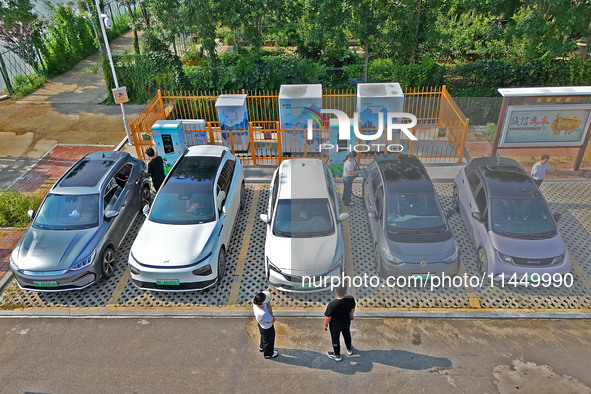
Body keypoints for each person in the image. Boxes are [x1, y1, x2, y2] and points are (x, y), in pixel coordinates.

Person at [323, 285, 356, 362]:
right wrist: (351, 314)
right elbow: (353, 309)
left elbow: (328, 317)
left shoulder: (332, 304)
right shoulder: (350, 299)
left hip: (335, 326)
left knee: (335, 339)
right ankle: (349, 349)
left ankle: (337, 356)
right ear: (345, 291)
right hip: (346, 322)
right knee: (347, 335)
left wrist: (325, 324)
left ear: (335, 291)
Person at [253, 291, 278, 359]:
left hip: (262, 325)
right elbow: (273, 319)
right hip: (267, 328)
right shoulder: (263, 313)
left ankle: (262, 347)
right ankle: (268, 354)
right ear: (262, 303)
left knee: (264, 338)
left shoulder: (255, 304)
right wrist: (270, 310)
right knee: (269, 341)